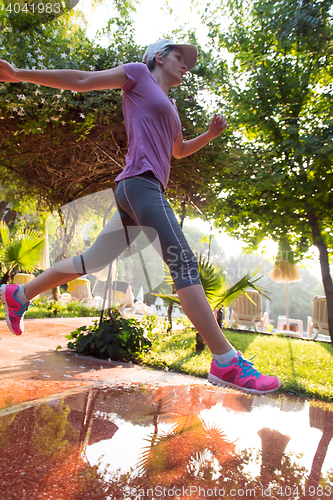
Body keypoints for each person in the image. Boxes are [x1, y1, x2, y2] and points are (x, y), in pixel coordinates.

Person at [0, 39, 280, 395]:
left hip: (139, 191)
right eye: (179, 56)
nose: (185, 65)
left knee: (93, 260)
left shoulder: (171, 106)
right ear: (159, 57)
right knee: (184, 263)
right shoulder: (137, 74)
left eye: (186, 61)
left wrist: (208, 135)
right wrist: (19, 74)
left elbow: (177, 151)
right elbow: (84, 80)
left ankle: (20, 293)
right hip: (140, 185)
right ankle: (226, 362)